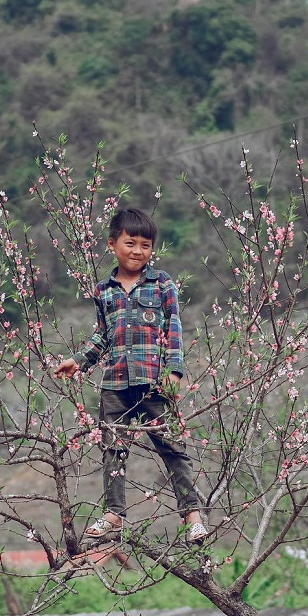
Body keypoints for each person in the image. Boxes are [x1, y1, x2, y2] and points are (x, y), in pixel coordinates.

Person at [54, 208, 208, 544]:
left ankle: (192, 515)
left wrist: (174, 371)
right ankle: (114, 514)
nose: (138, 251)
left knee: (172, 446)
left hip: (154, 382)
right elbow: (103, 336)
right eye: (130, 243)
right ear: (112, 244)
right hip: (115, 384)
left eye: (145, 245)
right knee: (113, 449)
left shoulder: (162, 283)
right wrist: (78, 361)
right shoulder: (103, 290)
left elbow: (174, 328)